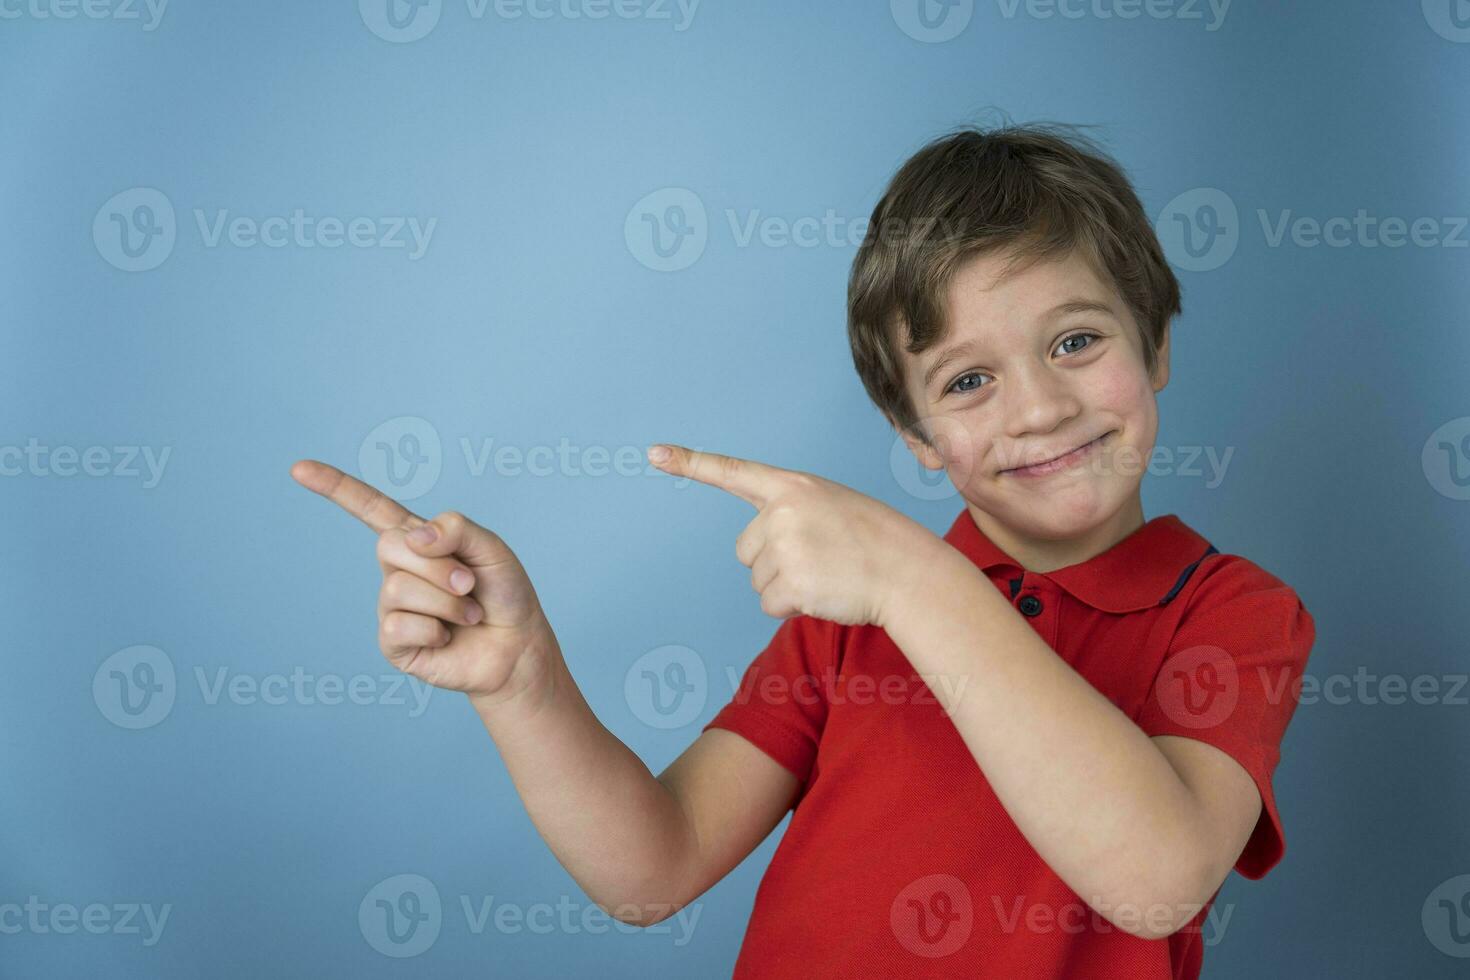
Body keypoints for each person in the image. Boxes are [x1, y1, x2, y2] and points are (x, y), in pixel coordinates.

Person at [291, 120, 1315, 978]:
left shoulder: (1230, 610)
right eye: (968, 380)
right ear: (918, 439)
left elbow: (1158, 879)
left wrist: (916, 575)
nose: (1041, 406)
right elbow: (653, 868)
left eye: (1077, 340)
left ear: (1158, 346)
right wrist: (522, 682)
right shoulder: (846, 625)